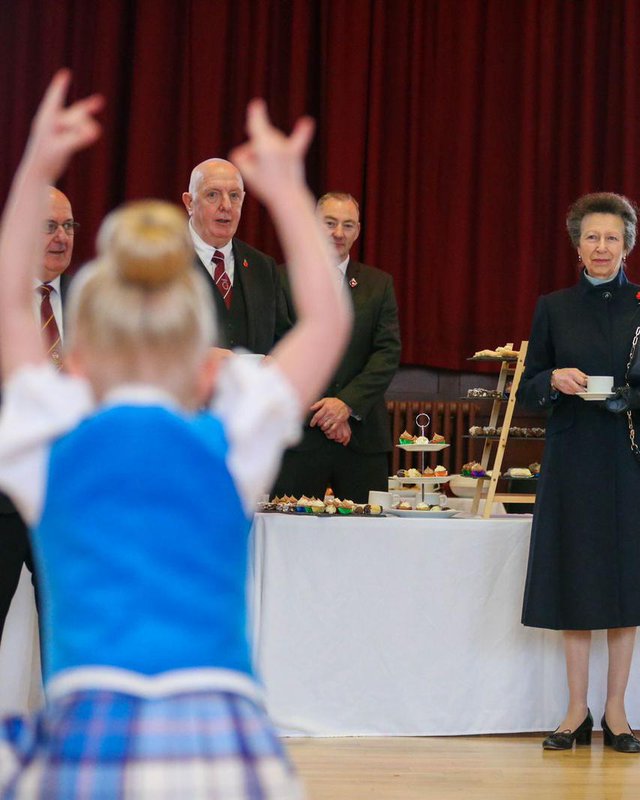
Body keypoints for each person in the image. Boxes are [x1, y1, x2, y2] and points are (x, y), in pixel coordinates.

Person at [0, 73, 350, 797]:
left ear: (80, 362)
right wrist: (286, 192)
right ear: (204, 367)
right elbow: (329, 324)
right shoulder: (230, 438)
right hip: (218, 739)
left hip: (90, 730)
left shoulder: (51, 440)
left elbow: (6, 304)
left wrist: (36, 166)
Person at [517, 192, 640, 754]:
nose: (602, 247)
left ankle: (617, 712)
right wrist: (553, 381)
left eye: (612, 238)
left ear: (628, 245)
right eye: (592, 237)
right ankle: (575, 711)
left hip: (631, 457)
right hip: (573, 459)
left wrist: (635, 399)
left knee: (627, 583)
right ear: (578, 245)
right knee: (575, 580)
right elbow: (527, 389)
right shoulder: (553, 306)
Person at [273, 192, 401, 502]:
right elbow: (277, 351)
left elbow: (387, 354)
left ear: (358, 230)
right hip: (298, 437)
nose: (338, 233)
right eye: (329, 223)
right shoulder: (280, 279)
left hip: (361, 437)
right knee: (291, 539)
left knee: (367, 543)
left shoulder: (378, 284)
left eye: (348, 225)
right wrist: (324, 413)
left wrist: (346, 405)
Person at [0, 187, 77, 648]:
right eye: (49, 226)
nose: (61, 237)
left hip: (66, 501)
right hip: (3, 499)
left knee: (68, 636)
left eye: (68, 227)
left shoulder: (90, 303)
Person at [183, 157, 291, 353]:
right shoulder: (164, 262)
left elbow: (282, 341)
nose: (226, 205)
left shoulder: (263, 267)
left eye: (234, 196)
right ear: (190, 202)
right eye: (213, 195)